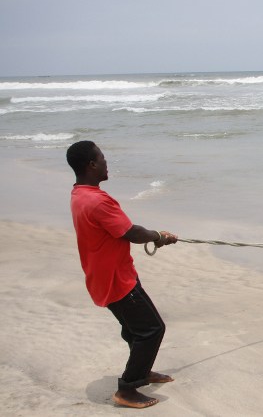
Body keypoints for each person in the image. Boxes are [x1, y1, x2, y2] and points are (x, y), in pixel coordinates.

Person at [66, 141, 178, 409]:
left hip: (109, 274)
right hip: (115, 279)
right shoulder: (97, 200)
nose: (106, 163)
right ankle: (127, 389)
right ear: (92, 165)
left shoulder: (80, 194)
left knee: (135, 329)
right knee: (151, 330)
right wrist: (159, 236)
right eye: (102, 158)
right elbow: (131, 232)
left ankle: (142, 370)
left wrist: (155, 235)